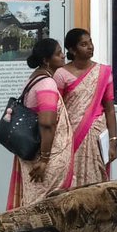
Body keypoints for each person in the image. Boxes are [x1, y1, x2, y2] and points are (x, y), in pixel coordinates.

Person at [7, 38, 73, 209]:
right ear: (46, 60)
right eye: (59, 53)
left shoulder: (33, 79)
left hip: (35, 153)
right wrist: (44, 160)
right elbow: (47, 123)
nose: (63, 56)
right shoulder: (47, 83)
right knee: (46, 206)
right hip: (45, 158)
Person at [54, 27, 117, 186]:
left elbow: (110, 109)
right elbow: (57, 110)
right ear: (72, 50)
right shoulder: (61, 74)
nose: (90, 47)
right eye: (84, 44)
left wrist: (113, 141)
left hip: (96, 137)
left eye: (90, 42)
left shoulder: (103, 72)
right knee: (71, 182)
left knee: (97, 183)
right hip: (70, 137)